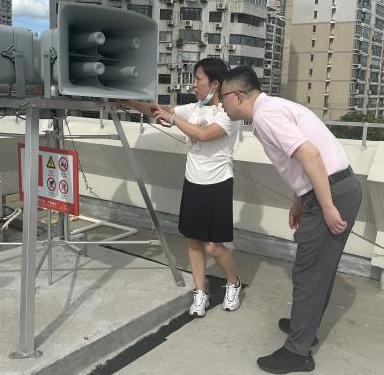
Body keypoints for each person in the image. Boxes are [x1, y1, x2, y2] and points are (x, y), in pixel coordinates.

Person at [220, 66, 362, 374]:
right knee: (315, 271)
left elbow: (310, 156)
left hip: (331, 191)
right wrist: (300, 199)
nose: (222, 105)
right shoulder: (273, 108)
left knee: (309, 274)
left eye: (223, 98)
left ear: (238, 95)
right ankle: (304, 329)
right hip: (328, 188)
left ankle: (298, 352)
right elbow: (299, 162)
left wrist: (325, 206)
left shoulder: (267, 115)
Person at [120, 58, 242, 317]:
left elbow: (204, 135)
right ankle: (200, 293)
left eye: (198, 79)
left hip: (218, 184)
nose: (194, 84)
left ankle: (233, 282)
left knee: (213, 246)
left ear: (215, 84)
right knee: (195, 241)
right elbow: (158, 109)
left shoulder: (229, 113)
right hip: (193, 182)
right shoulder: (195, 108)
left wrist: (173, 119)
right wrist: (131, 103)